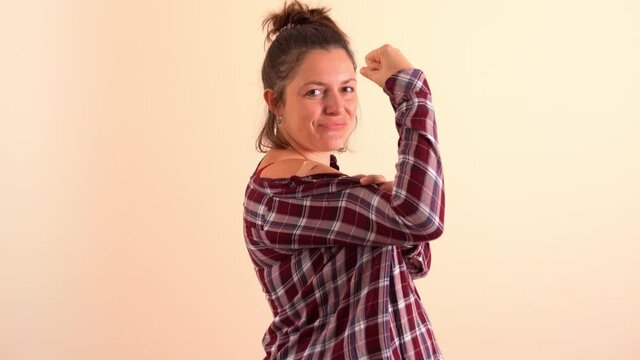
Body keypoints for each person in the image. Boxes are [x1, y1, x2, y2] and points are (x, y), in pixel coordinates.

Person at [243, 1, 445, 359]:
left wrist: (384, 203)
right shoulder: (289, 193)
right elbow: (421, 217)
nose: (337, 107)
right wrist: (412, 93)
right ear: (275, 102)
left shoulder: (329, 186)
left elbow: (415, 262)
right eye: (315, 92)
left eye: (347, 88)